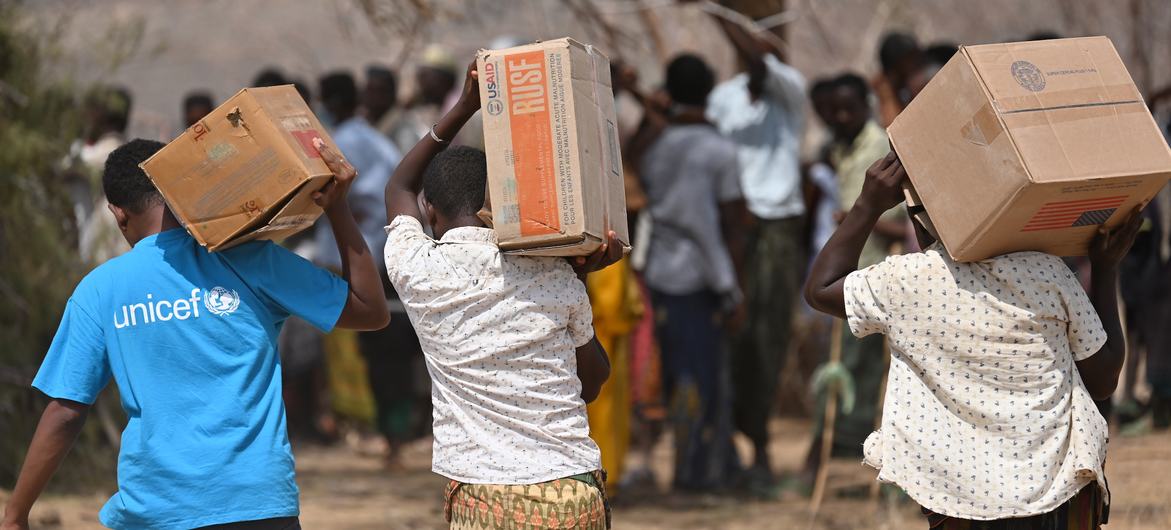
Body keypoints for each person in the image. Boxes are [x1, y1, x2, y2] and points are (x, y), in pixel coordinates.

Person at [0, 139, 389, 530]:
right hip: (257, 504)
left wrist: (16, 514)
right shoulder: (253, 259)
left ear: (118, 215)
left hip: (157, 510)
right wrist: (337, 207)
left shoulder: (100, 289)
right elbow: (371, 311)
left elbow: (66, 411)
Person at [805, 151, 1138, 529]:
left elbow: (820, 288)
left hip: (957, 495)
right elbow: (1105, 379)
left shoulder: (905, 282)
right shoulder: (1047, 273)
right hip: (1054, 494)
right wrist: (1106, 268)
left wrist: (868, 204)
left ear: (921, 220)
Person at [382, 59, 619, 530]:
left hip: (482, 498)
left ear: (430, 211)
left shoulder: (416, 269)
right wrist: (580, 277)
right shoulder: (553, 271)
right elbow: (590, 383)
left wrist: (467, 105)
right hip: (571, 492)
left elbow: (399, 183)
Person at [629, 53, 745, 492]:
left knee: (673, 376)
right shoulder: (721, 150)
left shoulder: (655, 147)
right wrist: (737, 290)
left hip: (659, 277)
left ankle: (685, 464)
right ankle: (699, 471)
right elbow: (733, 226)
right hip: (705, 279)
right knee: (704, 378)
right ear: (710, 92)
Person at [704, 11, 806, 490]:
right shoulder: (722, 97)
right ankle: (725, 444)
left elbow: (760, 65)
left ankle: (761, 444)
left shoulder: (788, 85)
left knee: (767, 333)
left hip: (778, 225)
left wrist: (711, 9)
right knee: (731, 331)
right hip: (732, 226)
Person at [802, 72, 906, 484]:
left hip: (874, 274)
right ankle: (830, 456)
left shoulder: (878, 146)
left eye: (850, 108)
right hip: (841, 275)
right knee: (839, 369)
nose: (842, 116)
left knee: (860, 372)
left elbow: (898, 213)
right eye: (835, 111)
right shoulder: (839, 147)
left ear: (866, 105)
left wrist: (860, 216)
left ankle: (846, 458)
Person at [314, 71, 407, 456]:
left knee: (371, 352)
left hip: (357, 258)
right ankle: (383, 431)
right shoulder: (376, 140)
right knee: (381, 351)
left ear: (332, 103)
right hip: (380, 252)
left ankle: (377, 431)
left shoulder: (343, 143)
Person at [386, 44, 458, 154]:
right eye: (420, 75)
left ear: (446, 80)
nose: (421, 82)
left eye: (425, 75)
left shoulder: (455, 107)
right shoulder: (418, 108)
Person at [872, 32, 924, 127]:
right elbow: (893, 127)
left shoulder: (905, 89)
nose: (918, 64)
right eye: (912, 60)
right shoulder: (881, 91)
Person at [363, 65, 398, 136]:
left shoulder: (400, 126)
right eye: (367, 89)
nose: (366, 94)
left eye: (372, 90)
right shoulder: (364, 120)